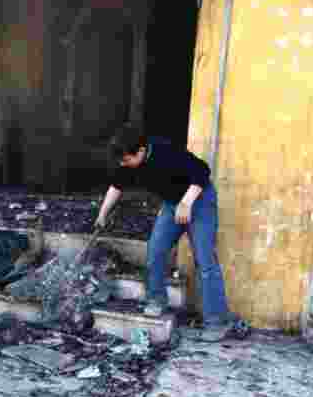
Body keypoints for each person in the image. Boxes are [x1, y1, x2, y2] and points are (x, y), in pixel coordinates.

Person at [95, 122, 235, 341]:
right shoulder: (129, 160)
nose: (124, 164)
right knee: (155, 251)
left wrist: (187, 204)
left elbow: (202, 172)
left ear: (141, 151)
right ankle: (156, 300)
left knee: (205, 260)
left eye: (127, 160)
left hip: (198, 200)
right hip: (172, 204)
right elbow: (117, 185)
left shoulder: (166, 152)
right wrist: (102, 214)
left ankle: (217, 323)